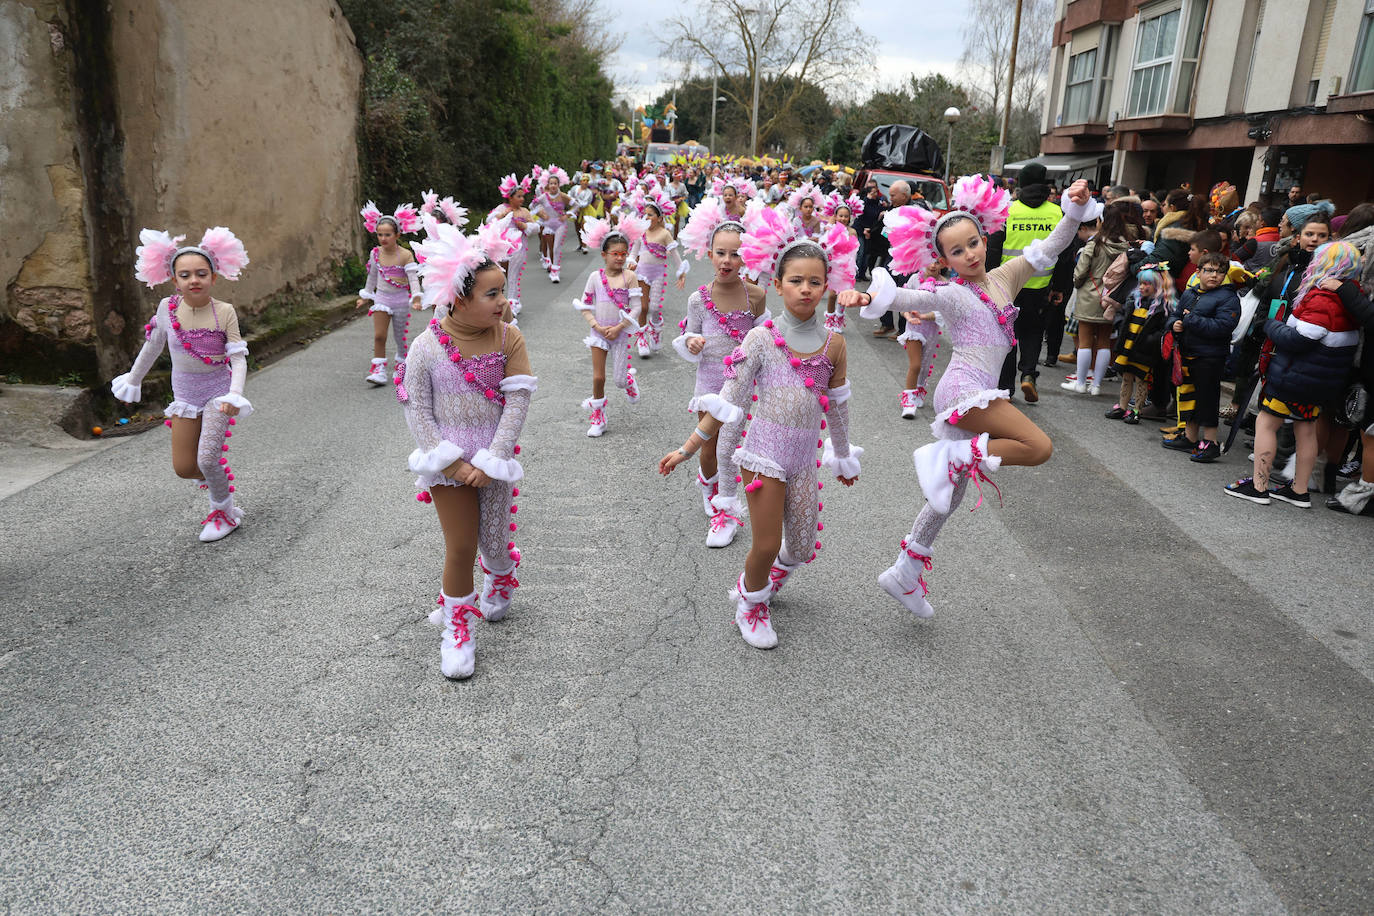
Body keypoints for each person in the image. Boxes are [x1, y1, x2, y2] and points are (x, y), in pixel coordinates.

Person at [840, 177, 1099, 619]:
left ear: (984, 237)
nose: (970, 254)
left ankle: (904, 572)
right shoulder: (953, 293)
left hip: (974, 389)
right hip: (965, 389)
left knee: (948, 497)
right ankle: (955, 456)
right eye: (957, 251)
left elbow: (1053, 246)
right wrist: (867, 294)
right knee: (1038, 447)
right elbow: (910, 295)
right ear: (944, 260)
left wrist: (1074, 209)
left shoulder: (1005, 277)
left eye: (974, 243)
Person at [659, 234, 861, 650]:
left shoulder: (835, 344)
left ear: (826, 287)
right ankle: (751, 604)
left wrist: (842, 456)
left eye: (815, 282)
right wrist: (688, 448)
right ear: (778, 284)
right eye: (796, 280)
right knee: (766, 544)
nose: (805, 289)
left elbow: (838, 409)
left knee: (801, 547)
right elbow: (728, 401)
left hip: (803, 461)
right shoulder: (760, 338)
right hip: (762, 456)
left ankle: (756, 582)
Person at [400, 215, 535, 680]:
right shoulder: (425, 346)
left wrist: (493, 458)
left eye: (503, 291)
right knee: (460, 545)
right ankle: (458, 628)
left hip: (494, 459)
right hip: (448, 465)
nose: (503, 301)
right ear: (458, 298)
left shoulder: (509, 337)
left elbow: (517, 401)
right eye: (491, 294)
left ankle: (500, 574)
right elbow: (417, 410)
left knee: (493, 543)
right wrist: (452, 463)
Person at [113, 227, 253, 542]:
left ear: (213, 277)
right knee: (185, 467)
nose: (194, 280)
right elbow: (152, 346)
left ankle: (224, 512)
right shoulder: (167, 308)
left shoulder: (225, 312)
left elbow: (238, 358)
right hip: (185, 396)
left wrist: (234, 395)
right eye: (185, 275)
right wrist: (133, 380)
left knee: (206, 459)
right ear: (174, 280)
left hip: (218, 394)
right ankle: (217, 479)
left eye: (201, 274)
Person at [1226, 241, 1372, 505]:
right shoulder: (1352, 295)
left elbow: (1301, 339)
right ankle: (1299, 490)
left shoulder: (1323, 296)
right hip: (1320, 380)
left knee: (1266, 423)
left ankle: (1259, 486)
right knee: (1306, 429)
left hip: (1295, 375)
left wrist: (1271, 325)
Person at [673, 198, 770, 547]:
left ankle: (725, 508)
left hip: (740, 382)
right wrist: (692, 341)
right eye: (721, 253)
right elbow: (689, 334)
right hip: (709, 381)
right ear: (710, 254)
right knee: (709, 447)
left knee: (729, 446)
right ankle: (708, 484)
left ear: (746, 258)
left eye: (735, 254)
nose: (727, 260)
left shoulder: (756, 295)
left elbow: (764, 337)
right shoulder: (698, 299)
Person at [989, 162, 1063, 402]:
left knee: (1007, 333)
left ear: (1021, 183)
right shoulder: (1057, 213)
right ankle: (1029, 374)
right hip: (1041, 285)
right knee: (1033, 331)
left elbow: (994, 248)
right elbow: (1065, 253)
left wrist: (988, 280)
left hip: (1007, 284)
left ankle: (1005, 388)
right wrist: (1060, 286)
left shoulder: (1008, 211)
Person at [1161, 252, 1241, 461]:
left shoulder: (1228, 298)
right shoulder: (1190, 293)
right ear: (1198, 272)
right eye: (1209, 270)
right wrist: (1174, 324)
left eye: (1220, 272)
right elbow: (1176, 314)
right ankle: (1190, 437)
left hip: (1210, 357)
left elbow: (1223, 327)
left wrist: (1190, 320)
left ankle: (1210, 443)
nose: (1214, 275)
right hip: (1188, 353)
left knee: (1207, 399)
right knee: (1189, 397)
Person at [1064, 201, 1140, 396]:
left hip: (1089, 296)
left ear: (1101, 221)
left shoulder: (1095, 244)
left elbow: (1080, 272)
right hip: (1113, 299)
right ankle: (1096, 385)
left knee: (1085, 340)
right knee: (1104, 342)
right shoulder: (1126, 246)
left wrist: (1077, 283)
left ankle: (1081, 383)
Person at [576, 218, 643, 436]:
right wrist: (596, 326)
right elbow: (585, 306)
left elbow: (636, 307)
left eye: (623, 254)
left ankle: (629, 380)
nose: (620, 257)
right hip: (598, 333)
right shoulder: (595, 277)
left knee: (619, 380)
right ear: (604, 254)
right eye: (615, 253)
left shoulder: (630, 276)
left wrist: (620, 327)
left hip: (620, 334)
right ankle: (598, 417)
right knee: (599, 377)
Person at [355, 202, 423, 386]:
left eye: (387, 235)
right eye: (380, 234)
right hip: (382, 298)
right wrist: (365, 296)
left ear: (397, 235)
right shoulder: (375, 254)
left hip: (400, 300)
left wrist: (416, 298)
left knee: (400, 337)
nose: (383, 238)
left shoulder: (406, 255)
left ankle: (402, 364)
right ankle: (379, 370)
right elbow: (372, 277)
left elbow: (413, 279)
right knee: (379, 335)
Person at [1106, 263, 1173, 424]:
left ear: (1157, 285)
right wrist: (1120, 325)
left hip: (1144, 350)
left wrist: (1152, 340)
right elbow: (1122, 315)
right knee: (1126, 376)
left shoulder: (1162, 307)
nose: (1142, 287)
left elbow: (1163, 329)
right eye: (1141, 283)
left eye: (1147, 284)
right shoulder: (1133, 301)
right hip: (1128, 347)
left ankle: (1137, 410)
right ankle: (1122, 407)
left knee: (1141, 380)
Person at [627, 192, 689, 357]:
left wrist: (681, 272)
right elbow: (633, 252)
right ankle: (642, 339)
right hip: (641, 273)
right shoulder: (641, 233)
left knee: (654, 308)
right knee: (643, 307)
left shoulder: (664, 234)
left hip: (658, 274)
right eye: (645, 214)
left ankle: (655, 329)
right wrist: (631, 262)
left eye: (650, 215)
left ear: (659, 218)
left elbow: (675, 255)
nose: (647, 217)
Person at [487, 174, 540, 313]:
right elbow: (489, 221)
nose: (522, 199)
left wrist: (525, 226)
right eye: (519, 196)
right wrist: (501, 215)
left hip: (519, 247)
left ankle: (512, 304)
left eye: (523, 196)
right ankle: (509, 300)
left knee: (513, 275)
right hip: (502, 247)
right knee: (503, 275)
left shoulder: (524, 211)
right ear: (510, 197)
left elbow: (536, 227)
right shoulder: (501, 208)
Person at [533, 167, 572, 283]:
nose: (553, 185)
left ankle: (555, 272)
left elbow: (576, 205)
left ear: (559, 184)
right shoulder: (543, 196)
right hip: (549, 224)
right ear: (548, 185)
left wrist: (567, 215)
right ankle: (548, 262)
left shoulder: (563, 196)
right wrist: (541, 213)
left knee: (556, 248)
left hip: (560, 224)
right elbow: (532, 205)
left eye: (555, 183)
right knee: (550, 247)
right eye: (551, 183)